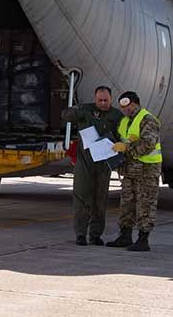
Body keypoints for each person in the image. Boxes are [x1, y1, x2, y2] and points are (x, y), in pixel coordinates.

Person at [61, 85, 124, 245]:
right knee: (81, 197)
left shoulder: (116, 116)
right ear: (95, 99)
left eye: (106, 100)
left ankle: (95, 235)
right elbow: (66, 116)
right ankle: (80, 234)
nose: (103, 103)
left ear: (111, 99)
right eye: (100, 100)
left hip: (103, 163)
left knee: (100, 199)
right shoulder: (86, 110)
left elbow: (121, 136)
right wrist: (75, 110)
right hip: (85, 162)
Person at [107, 91, 162, 252]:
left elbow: (148, 144)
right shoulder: (124, 121)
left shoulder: (148, 120)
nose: (126, 110)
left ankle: (143, 239)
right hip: (129, 170)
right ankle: (125, 235)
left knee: (145, 204)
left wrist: (126, 147)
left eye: (129, 106)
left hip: (147, 170)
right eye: (123, 107)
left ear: (136, 103)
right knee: (127, 204)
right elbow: (121, 139)